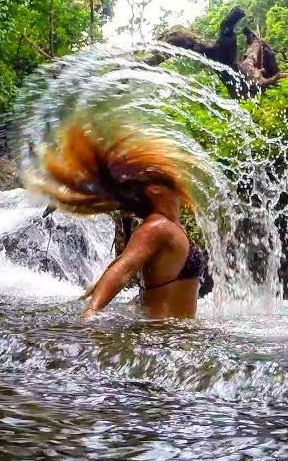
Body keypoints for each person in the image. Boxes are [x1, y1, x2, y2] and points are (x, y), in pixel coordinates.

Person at [32, 120, 206, 321]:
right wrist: (92, 311)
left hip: (170, 335)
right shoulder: (157, 227)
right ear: (155, 189)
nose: (176, 173)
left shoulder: (168, 226)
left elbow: (128, 266)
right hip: (160, 338)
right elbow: (125, 268)